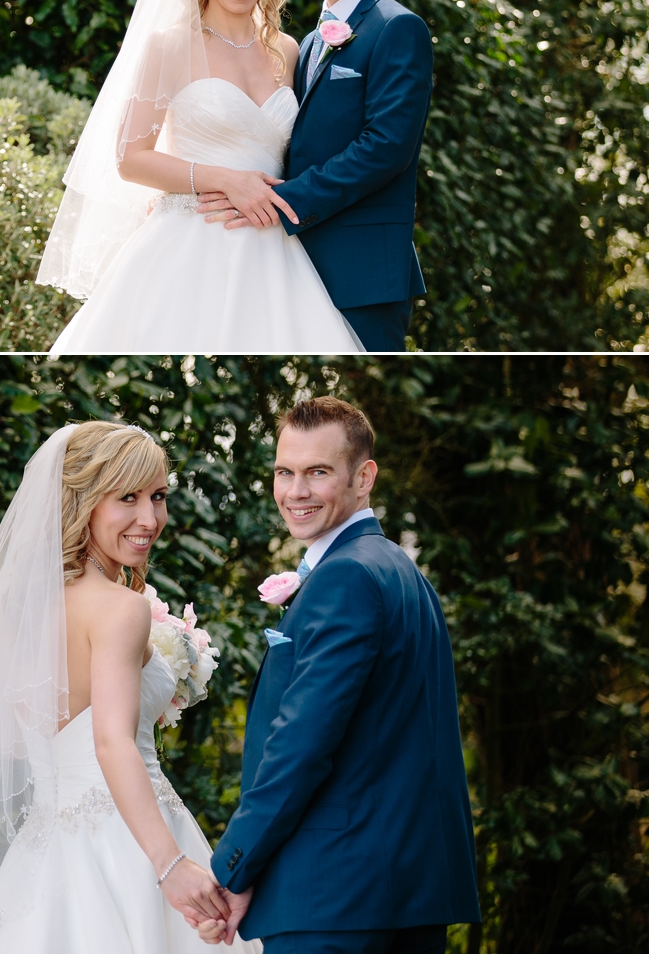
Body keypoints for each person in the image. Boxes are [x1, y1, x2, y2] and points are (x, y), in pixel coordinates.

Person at [0, 421, 261, 953]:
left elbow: (15, 740)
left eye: (159, 496)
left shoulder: (24, 611)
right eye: (127, 497)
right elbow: (111, 742)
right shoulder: (122, 610)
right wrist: (169, 864)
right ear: (84, 502)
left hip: (48, 848)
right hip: (130, 846)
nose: (150, 519)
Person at [195, 397, 481, 952]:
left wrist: (234, 866)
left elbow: (301, 745)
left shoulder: (344, 577)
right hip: (406, 893)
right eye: (285, 472)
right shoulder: (402, 572)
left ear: (364, 476)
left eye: (317, 472)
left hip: (333, 899)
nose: (295, 492)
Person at [35, 0, 363, 353]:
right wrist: (225, 180)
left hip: (277, 248)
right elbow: (131, 160)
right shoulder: (170, 46)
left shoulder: (287, 49)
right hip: (191, 239)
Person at [199, 0, 432, 353]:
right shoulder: (302, 44)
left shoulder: (398, 27)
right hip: (288, 262)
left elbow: (386, 147)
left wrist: (281, 200)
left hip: (362, 272)